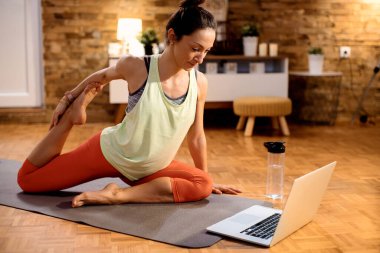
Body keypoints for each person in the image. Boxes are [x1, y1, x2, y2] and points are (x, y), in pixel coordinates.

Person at [17, 0, 241, 208]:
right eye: (195, 48)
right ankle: (70, 120)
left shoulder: (199, 82)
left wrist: (205, 178)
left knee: (202, 184)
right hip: (110, 153)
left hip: (150, 169)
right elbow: (103, 76)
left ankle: (116, 195)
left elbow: (197, 136)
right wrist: (68, 100)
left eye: (206, 51)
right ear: (172, 37)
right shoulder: (138, 67)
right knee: (27, 180)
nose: (200, 58)